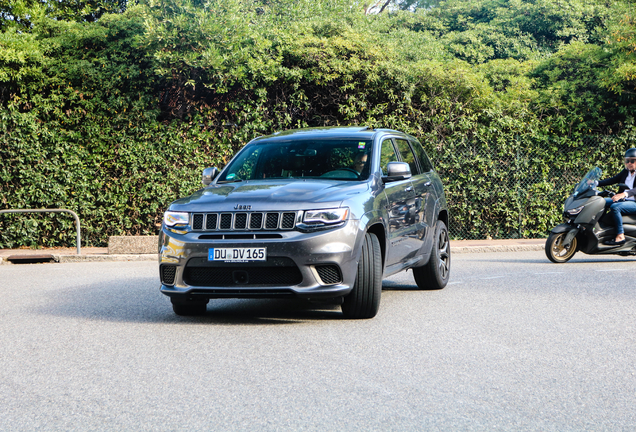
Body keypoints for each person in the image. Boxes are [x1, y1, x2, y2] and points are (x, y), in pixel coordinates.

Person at [599, 148, 636, 245]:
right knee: (601, 202)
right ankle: (600, 227)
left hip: (634, 203)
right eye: (627, 161)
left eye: (632, 161)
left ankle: (620, 235)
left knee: (615, 207)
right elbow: (612, 180)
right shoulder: (626, 172)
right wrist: (595, 183)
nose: (629, 163)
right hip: (625, 200)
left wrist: (624, 194)